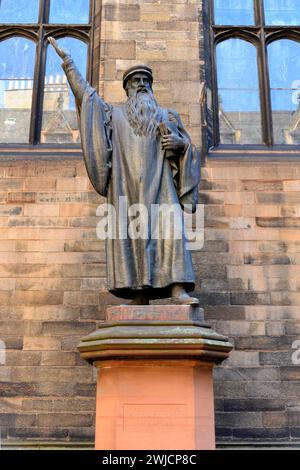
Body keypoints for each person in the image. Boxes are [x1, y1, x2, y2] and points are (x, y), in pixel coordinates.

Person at [49, 37, 201, 305]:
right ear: (127, 89)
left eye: (145, 81)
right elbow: (87, 96)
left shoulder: (168, 116)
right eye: (135, 81)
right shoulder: (113, 116)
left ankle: (178, 289)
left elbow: (189, 150)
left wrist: (180, 145)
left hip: (162, 185)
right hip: (126, 185)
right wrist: (69, 63)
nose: (141, 85)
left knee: (171, 230)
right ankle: (138, 293)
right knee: (130, 234)